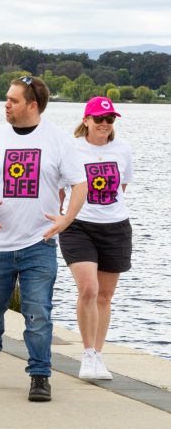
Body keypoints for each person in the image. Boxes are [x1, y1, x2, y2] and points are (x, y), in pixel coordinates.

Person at [0, 76, 87, 402]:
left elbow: (80, 184)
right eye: (7, 98)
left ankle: (39, 375)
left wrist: (66, 219)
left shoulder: (59, 140)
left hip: (39, 243)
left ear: (32, 106)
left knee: (38, 313)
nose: (6, 104)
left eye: (13, 100)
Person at [60, 96, 133, 381]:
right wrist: (59, 217)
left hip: (115, 228)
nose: (104, 124)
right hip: (78, 226)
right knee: (88, 289)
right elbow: (60, 189)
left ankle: (98, 355)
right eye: (99, 119)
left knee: (105, 295)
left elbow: (121, 186)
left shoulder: (123, 149)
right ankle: (88, 354)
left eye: (110, 119)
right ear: (86, 120)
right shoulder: (71, 148)